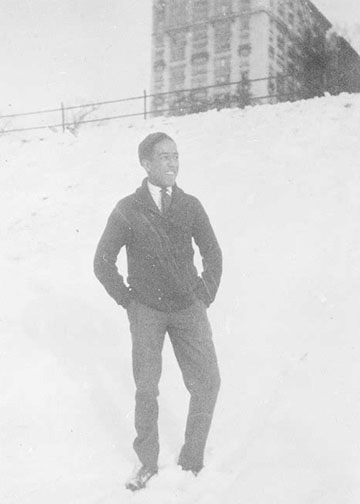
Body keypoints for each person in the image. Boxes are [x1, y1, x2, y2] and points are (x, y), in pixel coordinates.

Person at [93, 132, 222, 491]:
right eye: (164, 157)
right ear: (146, 164)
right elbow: (102, 261)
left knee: (208, 382)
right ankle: (147, 463)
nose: (172, 163)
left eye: (176, 156)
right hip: (147, 310)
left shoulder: (190, 205)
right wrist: (128, 300)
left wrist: (204, 295)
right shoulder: (127, 208)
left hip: (187, 309)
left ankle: (191, 461)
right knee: (147, 388)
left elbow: (213, 253)